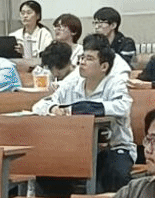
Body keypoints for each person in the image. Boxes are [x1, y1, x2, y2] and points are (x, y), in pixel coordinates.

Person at [33, 38, 135, 190]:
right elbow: (39, 105)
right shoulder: (72, 84)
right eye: (82, 57)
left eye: (89, 59)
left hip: (114, 147)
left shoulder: (115, 84)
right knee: (47, 172)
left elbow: (123, 107)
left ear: (104, 66)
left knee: (113, 173)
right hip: (78, 148)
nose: (82, 62)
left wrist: (86, 108)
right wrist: (53, 108)